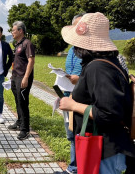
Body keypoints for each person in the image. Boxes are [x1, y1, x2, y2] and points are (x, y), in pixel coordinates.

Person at [59, 12, 135, 174]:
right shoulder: (106, 63)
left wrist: (73, 105)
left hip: (103, 150)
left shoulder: (98, 68)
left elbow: (109, 113)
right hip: (103, 148)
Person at [55, 14, 84, 174]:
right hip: (68, 94)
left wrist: (79, 79)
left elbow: (94, 74)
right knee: (71, 133)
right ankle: (74, 167)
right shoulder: (72, 49)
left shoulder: (91, 50)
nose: (78, 29)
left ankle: (81, 167)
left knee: (81, 134)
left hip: (82, 98)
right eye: (75, 26)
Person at [8, 21, 35, 140]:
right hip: (15, 77)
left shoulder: (27, 43)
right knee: (18, 101)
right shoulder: (17, 44)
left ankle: (25, 129)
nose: (12, 32)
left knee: (23, 103)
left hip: (23, 78)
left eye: (13, 30)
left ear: (20, 31)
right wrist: (12, 75)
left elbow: (31, 61)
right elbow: (17, 61)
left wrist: (25, 77)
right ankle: (19, 122)